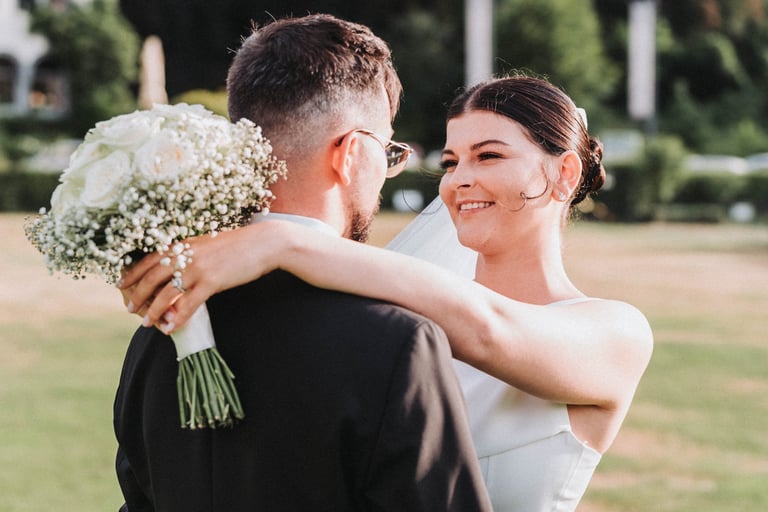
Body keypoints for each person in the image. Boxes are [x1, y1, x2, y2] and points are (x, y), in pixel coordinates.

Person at [123, 73, 654, 512]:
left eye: (489, 156)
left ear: (564, 174)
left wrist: (283, 241)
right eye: (450, 162)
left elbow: (488, 330)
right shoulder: (395, 322)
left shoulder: (618, 332)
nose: (458, 181)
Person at [113, 14, 493, 512]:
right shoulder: (399, 344)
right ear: (350, 154)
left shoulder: (161, 326)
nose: (386, 172)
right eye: (387, 150)